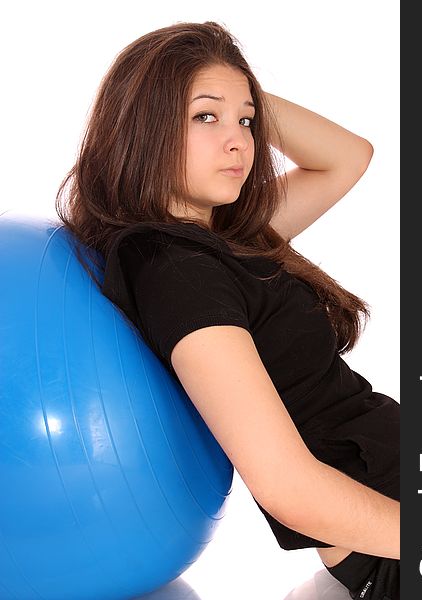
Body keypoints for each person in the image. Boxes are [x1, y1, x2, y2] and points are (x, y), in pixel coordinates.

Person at [55, 21, 400, 600]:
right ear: (145, 125)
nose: (241, 141)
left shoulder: (225, 241)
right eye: (204, 117)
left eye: (246, 122)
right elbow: (286, 485)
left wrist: (232, 88)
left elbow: (348, 157)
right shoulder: (173, 269)